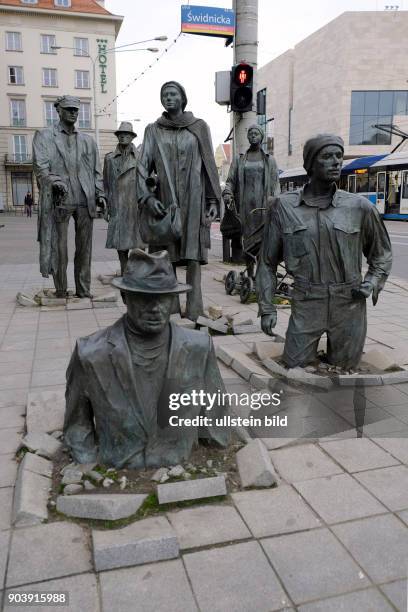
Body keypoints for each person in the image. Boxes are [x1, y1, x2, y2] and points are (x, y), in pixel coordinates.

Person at [63, 249, 229, 468]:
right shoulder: (91, 354)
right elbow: (77, 426)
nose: (155, 308)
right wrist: (89, 465)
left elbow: (216, 419)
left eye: (164, 299)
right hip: (118, 465)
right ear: (125, 297)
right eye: (145, 299)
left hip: (178, 461)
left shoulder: (199, 347)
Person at [256, 134, 392, 370]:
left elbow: (381, 254)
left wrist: (371, 282)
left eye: (339, 156)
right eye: (327, 156)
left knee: (346, 370)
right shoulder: (283, 207)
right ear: (310, 164)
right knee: (294, 367)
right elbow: (267, 262)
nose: (336, 162)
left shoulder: (360, 207)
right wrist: (267, 308)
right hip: (307, 301)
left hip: (349, 304)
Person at [137, 81, 220, 321]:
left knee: (193, 255)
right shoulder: (153, 130)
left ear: (183, 98)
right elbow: (142, 168)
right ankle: (170, 308)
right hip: (165, 201)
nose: (168, 97)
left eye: (173, 94)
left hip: (194, 198)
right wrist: (147, 198)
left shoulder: (199, 127)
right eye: (164, 94)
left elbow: (209, 167)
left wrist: (213, 199)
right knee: (167, 255)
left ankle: (194, 309)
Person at [32, 95, 106, 298]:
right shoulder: (44, 136)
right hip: (60, 200)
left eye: (76, 109)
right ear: (58, 110)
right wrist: (53, 181)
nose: (74, 112)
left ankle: (83, 289)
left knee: (85, 250)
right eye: (69, 109)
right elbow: (40, 167)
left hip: (84, 198)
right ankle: (61, 289)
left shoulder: (88, 141)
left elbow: (96, 172)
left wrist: (100, 194)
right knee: (60, 249)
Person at [222, 124, 280, 277]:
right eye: (251, 133)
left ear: (262, 136)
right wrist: (227, 193)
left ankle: (261, 274)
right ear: (248, 137)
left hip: (263, 206)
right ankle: (249, 273)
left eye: (256, 133)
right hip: (245, 206)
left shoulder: (269, 160)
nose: (253, 135)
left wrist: (276, 203)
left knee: (263, 240)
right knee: (247, 240)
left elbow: (275, 184)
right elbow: (230, 180)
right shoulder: (240, 159)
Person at [103, 121, 142, 276]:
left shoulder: (140, 157)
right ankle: (125, 272)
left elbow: (147, 182)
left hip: (135, 206)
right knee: (120, 245)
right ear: (118, 136)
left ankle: (137, 273)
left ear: (132, 137)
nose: (123, 136)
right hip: (117, 205)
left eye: (127, 134)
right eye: (121, 134)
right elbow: (106, 184)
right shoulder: (109, 159)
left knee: (138, 244)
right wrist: (106, 205)